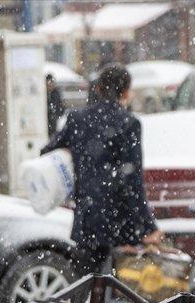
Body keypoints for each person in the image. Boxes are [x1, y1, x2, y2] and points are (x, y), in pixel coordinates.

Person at [42, 64, 165, 274]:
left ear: (98, 89)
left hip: (87, 219)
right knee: (123, 290)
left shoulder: (77, 119)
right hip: (120, 222)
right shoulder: (129, 123)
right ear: (126, 92)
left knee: (86, 285)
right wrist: (148, 227)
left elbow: (47, 152)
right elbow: (132, 180)